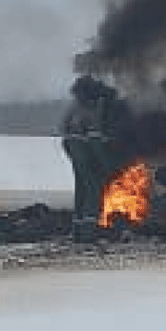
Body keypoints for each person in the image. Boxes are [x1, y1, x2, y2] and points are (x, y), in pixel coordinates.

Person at [60, 76, 126, 244]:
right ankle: (89, 235)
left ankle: (78, 233)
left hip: (77, 159)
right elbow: (95, 141)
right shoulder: (92, 112)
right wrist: (105, 163)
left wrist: (74, 157)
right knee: (93, 194)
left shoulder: (73, 111)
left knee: (81, 194)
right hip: (88, 160)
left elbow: (65, 141)